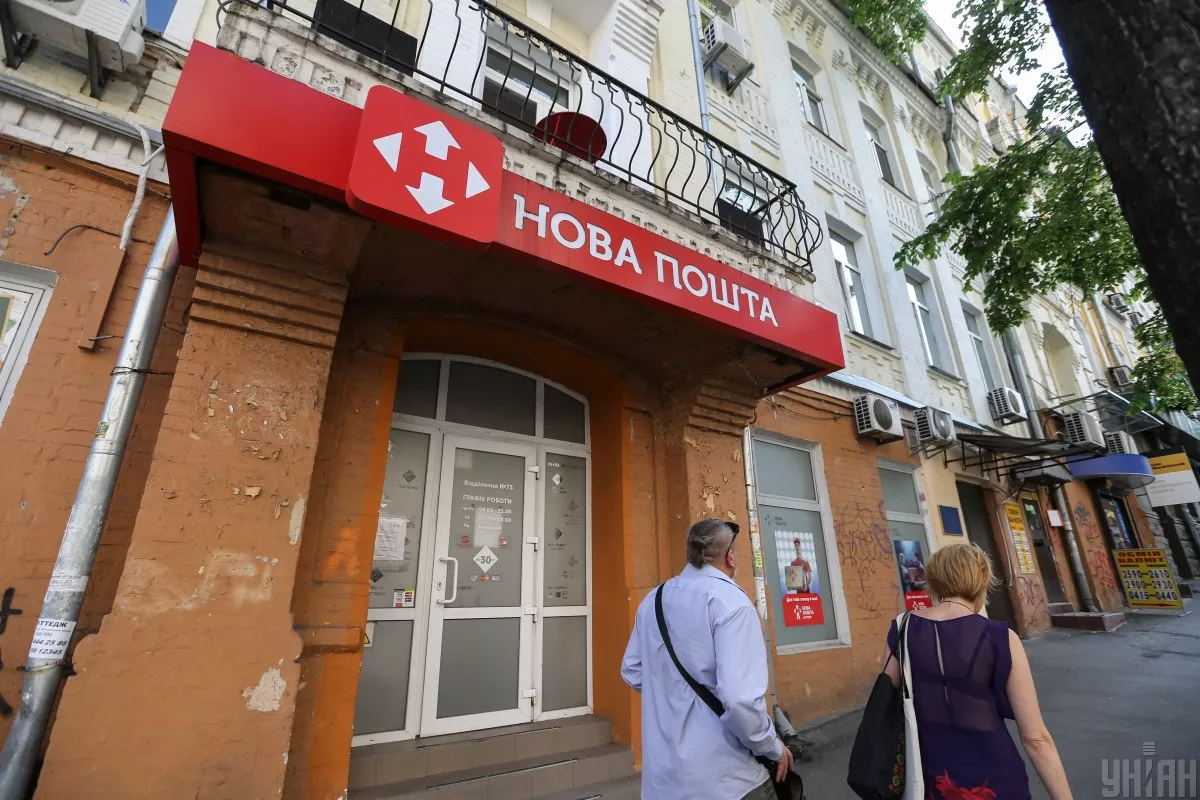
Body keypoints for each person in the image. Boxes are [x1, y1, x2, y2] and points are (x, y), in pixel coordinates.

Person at [882, 542, 1073, 800]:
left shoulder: (901, 630)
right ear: (981, 580)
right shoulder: (1002, 638)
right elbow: (1036, 740)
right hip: (994, 783)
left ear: (934, 581)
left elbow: (887, 705)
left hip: (929, 781)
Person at [621, 518, 793, 799]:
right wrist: (772, 747)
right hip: (726, 780)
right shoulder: (732, 603)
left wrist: (672, 696)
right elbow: (740, 700)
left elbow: (632, 670)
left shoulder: (653, 599)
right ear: (730, 557)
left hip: (661, 782)